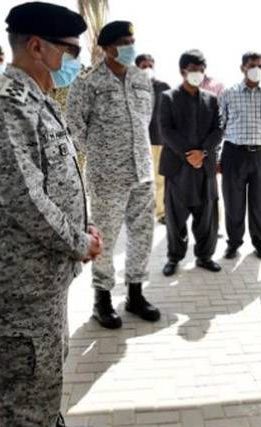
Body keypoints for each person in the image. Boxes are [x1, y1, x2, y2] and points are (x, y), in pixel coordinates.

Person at [0, 3, 103, 427]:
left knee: (46, 367)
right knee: (27, 380)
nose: (75, 61)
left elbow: (57, 179)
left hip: (46, 273)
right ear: (38, 47)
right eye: (70, 50)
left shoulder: (38, 100)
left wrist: (81, 235)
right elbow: (25, 200)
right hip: (21, 278)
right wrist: (79, 241)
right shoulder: (4, 106)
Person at [67, 21, 159, 329]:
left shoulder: (141, 78)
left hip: (142, 172)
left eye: (132, 41)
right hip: (108, 176)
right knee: (104, 238)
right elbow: (76, 126)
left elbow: (144, 120)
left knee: (142, 234)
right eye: (123, 42)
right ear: (106, 48)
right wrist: (100, 156)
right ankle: (102, 299)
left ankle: (135, 293)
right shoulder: (89, 81)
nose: (130, 47)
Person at [158, 50, 224, 277]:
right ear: (182, 71)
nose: (197, 74)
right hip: (178, 168)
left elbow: (219, 129)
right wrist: (189, 153)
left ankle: (204, 256)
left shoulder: (212, 99)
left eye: (201, 70)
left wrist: (203, 152)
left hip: (204, 168)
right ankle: (174, 257)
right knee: (176, 217)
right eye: (193, 70)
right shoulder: (168, 97)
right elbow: (165, 130)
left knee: (206, 215)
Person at [218, 51, 261, 260]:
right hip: (233, 154)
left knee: (260, 204)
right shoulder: (229, 93)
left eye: (260, 65)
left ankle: (260, 244)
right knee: (233, 204)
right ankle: (233, 243)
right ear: (243, 68)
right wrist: (216, 158)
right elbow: (219, 126)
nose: (256, 69)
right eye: (252, 65)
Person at [136, 53, 170, 224]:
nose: (148, 68)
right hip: (137, 142)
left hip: (159, 140)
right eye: (144, 66)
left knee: (160, 179)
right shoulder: (130, 87)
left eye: (151, 65)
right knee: (139, 180)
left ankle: (161, 212)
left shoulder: (164, 86)